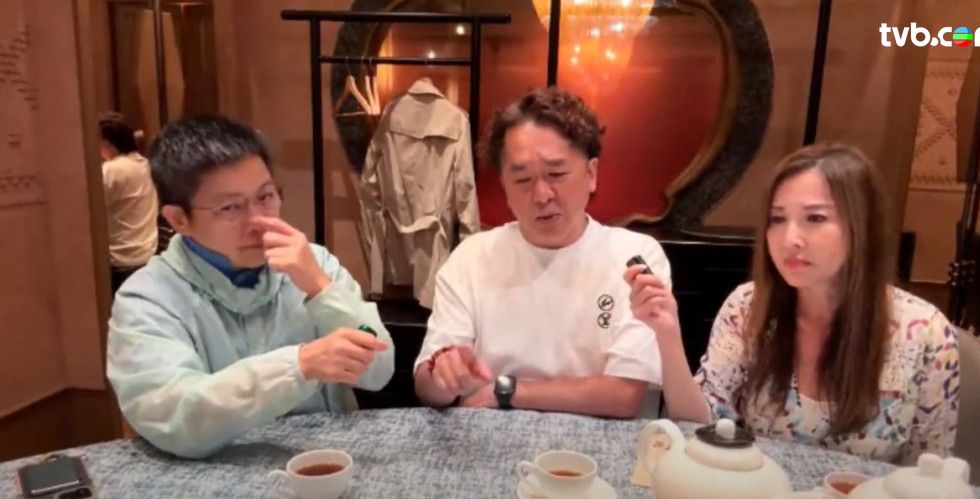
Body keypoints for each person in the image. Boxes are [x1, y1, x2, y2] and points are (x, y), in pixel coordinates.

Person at [627, 142, 959, 463]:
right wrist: (667, 334)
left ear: (862, 226)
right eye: (777, 219)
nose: (790, 239)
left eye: (815, 218)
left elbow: (929, 473)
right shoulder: (747, 307)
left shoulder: (926, 334)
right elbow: (701, 426)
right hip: (764, 496)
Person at [106, 115, 394, 458]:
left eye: (266, 196)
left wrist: (320, 288)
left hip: (326, 464)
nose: (259, 220)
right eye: (230, 207)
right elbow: (174, 417)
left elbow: (378, 368)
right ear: (179, 219)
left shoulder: (314, 263)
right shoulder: (148, 298)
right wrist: (298, 367)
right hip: (215, 472)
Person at [413, 87, 669, 418]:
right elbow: (428, 388)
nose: (542, 195)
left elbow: (624, 395)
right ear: (504, 186)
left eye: (556, 174)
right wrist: (443, 376)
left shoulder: (634, 255)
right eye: (522, 180)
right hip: (490, 438)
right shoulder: (472, 257)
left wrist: (508, 391)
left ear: (591, 174)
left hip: (596, 440)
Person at [99, 112, 159, 293]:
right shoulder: (146, 165)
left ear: (107, 144)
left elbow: (88, 211)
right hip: (147, 256)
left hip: (120, 262)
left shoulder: (110, 171)